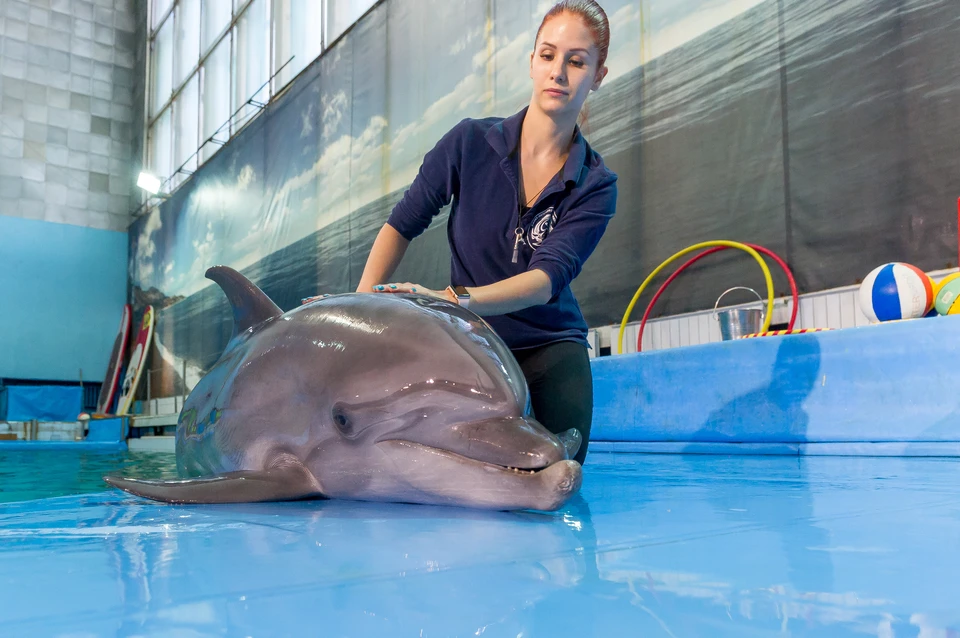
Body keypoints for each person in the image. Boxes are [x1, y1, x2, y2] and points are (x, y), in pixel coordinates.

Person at [354, 0, 616, 465]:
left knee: (559, 469)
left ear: (597, 75)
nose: (559, 71)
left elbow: (544, 281)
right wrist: (359, 306)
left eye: (577, 62)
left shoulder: (596, 184)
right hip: (468, 340)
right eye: (548, 55)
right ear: (532, 62)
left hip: (548, 343)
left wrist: (451, 300)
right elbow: (402, 224)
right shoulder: (470, 141)